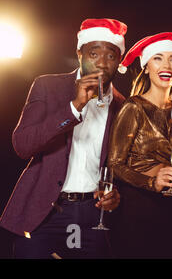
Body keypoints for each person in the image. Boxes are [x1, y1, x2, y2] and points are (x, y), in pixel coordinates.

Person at [0, 18, 126, 258]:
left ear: (118, 61)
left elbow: (119, 164)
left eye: (111, 55)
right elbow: (23, 145)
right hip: (43, 212)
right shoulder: (48, 86)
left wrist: (115, 195)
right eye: (93, 53)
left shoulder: (123, 105)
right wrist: (75, 106)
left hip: (93, 215)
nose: (101, 62)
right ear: (79, 53)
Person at [107, 32, 172, 258]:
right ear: (146, 66)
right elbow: (115, 164)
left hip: (170, 209)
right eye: (158, 58)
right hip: (136, 208)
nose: (166, 64)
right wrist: (150, 182)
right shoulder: (133, 107)